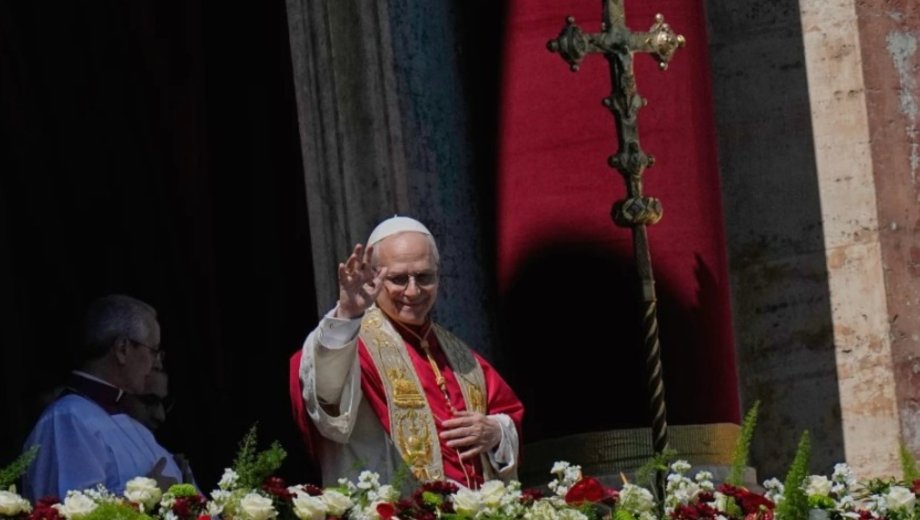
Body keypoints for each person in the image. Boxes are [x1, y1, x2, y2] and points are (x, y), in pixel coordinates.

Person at [293, 216, 524, 488]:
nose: (413, 291)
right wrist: (348, 313)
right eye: (398, 279)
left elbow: (509, 414)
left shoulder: (460, 356)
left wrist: (496, 431)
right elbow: (326, 399)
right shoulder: (348, 341)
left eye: (424, 277)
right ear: (374, 278)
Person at [23, 295, 185, 500]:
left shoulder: (134, 426)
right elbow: (68, 508)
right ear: (122, 349)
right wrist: (149, 497)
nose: (157, 364)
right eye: (153, 351)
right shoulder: (67, 418)